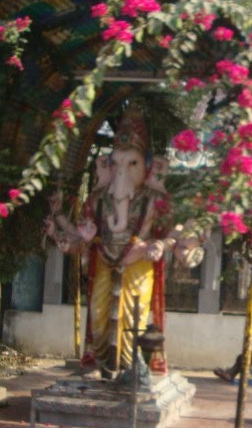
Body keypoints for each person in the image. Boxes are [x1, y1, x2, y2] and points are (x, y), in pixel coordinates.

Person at [45, 106, 171, 375]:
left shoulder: (155, 200)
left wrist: (160, 245)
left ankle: (132, 368)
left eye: (132, 163)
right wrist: (60, 223)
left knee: (133, 318)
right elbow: (83, 235)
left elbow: (172, 234)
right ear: (108, 164)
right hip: (104, 263)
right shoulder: (97, 199)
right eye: (116, 163)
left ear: (148, 165)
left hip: (137, 266)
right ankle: (103, 362)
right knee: (99, 316)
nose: (122, 170)